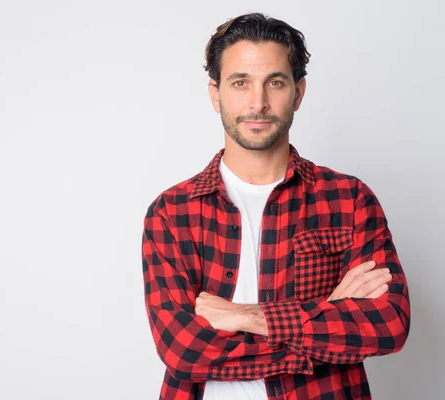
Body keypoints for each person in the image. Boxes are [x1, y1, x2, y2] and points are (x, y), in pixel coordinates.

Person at [140, 13, 411, 400]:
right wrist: (323, 314)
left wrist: (246, 316)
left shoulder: (349, 199)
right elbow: (183, 351)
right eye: (240, 83)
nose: (258, 103)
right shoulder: (172, 212)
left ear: (298, 92)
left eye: (275, 82)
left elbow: (388, 324)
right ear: (216, 94)